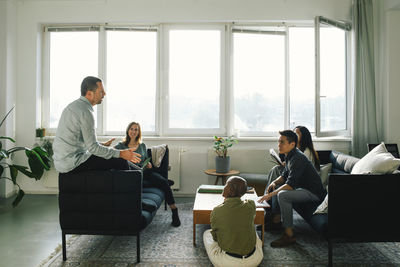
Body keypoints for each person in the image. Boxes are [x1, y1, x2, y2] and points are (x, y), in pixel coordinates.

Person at [53, 76, 141, 174]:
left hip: (63, 161)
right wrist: (121, 153)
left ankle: (139, 174)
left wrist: (102, 145)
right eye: (101, 92)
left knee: (114, 154)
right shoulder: (85, 112)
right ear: (89, 93)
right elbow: (93, 148)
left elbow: (76, 141)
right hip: (72, 163)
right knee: (120, 160)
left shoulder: (73, 106)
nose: (104, 94)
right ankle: (133, 183)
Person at [258, 130, 327, 247]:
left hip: (313, 193)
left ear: (292, 144)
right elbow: (285, 175)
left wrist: (270, 194)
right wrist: (274, 182)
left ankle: (289, 235)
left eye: (282, 142)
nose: (279, 145)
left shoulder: (298, 158)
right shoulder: (290, 155)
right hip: (302, 189)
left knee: (282, 195)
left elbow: (290, 184)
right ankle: (276, 220)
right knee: (278, 187)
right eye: (278, 141)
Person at [112, 122, 181, 227]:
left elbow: (145, 160)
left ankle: (174, 211)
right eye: (132, 129)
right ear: (128, 130)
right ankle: (142, 204)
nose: (133, 131)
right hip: (131, 174)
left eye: (136, 130)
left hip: (145, 172)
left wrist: (148, 164)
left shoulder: (142, 145)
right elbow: (113, 156)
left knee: (163, 182)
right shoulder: (120, 145)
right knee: (149, 182)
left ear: (138, 132)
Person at [203, 176, 263, 267]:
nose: (224, 186)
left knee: (207, 234)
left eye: (226, 185)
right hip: (254, 259)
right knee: (253, 231)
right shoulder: (250, 205)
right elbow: (244, 203)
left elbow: (215, 237)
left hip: (228, 263)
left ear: (230, 190)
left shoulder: (217, 211)